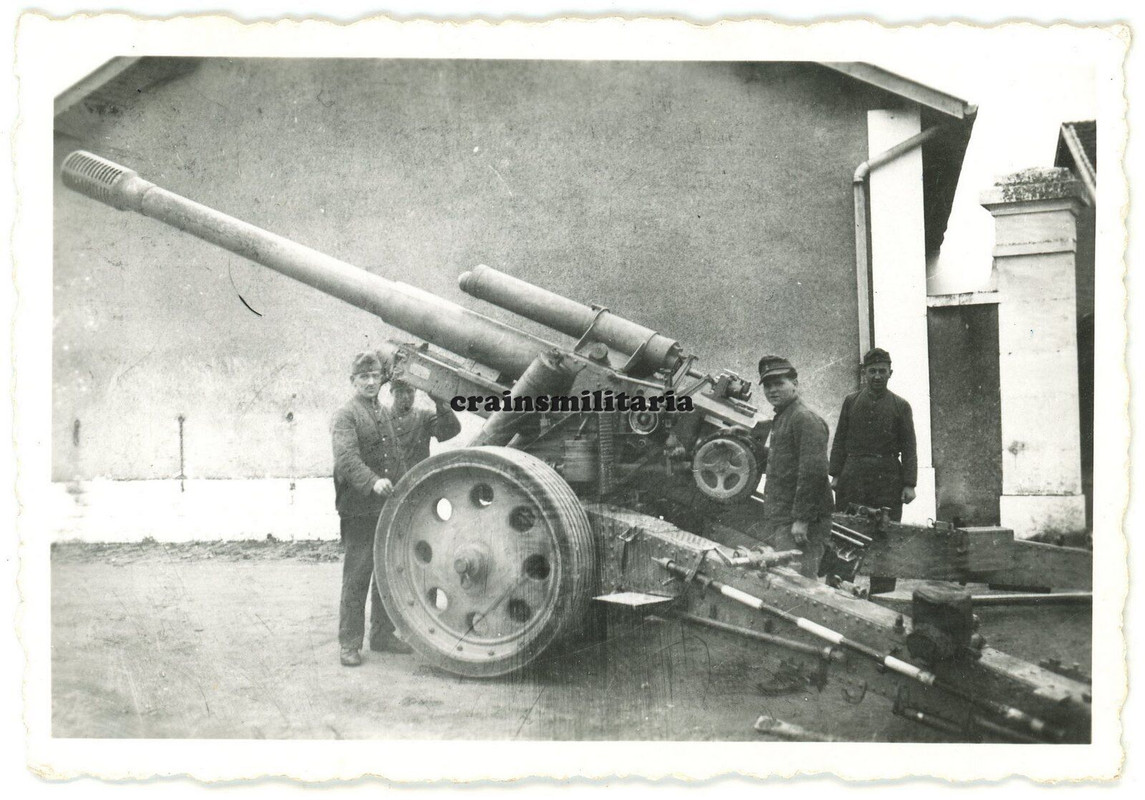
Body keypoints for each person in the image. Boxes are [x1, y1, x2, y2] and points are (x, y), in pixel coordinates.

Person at [331, 351, 462, 667]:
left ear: (381, 379)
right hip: (359, 507)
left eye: (375, 376)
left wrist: (403, 488)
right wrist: (372, 481)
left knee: (385, 572)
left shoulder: (382, 412)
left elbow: (396, 455)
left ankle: (381, 634)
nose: (370, 382)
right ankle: (349, 643)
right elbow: (346, 458)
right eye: (364, 377)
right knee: (358, 574)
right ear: (353, 381)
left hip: (385, 504)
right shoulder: (346, 415)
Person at [828, 347, 917, 595]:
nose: (877, 376)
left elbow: (909, 447)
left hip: (888, 478)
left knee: (885, 535)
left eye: (882, 371)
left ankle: (883, 595)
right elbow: (840, 438)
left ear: (890, 373)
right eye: (872, 371)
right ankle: (839, 591)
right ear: (864, 373)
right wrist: (836, 474)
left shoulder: (901, 406)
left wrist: (909, 484)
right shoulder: (851, 402)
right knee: (845, 532)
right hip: (853, 476)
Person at [757, 354, 834, 579]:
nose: (772, 390)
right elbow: (783, 463)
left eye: (779, 383)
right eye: (768, 385)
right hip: (787, 519)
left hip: (802, 523)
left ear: (795, 383)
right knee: (790, 582)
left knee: (799, 585)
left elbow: (814, 472)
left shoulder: (803, 418)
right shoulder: (785, 417)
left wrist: (802, 519)